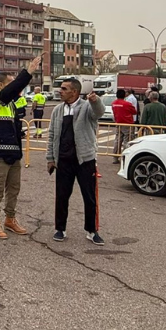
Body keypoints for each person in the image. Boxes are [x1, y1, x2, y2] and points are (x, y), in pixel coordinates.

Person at [0, 54, 42, 239]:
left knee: (13, 188)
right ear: (1, 86)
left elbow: (14, 128)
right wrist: (28, 72)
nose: (15, 87)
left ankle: (10, 219)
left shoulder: (11, 105)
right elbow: (9, 93)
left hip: (13, 153)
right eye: (11, 83)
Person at [46, 78, 107, 245]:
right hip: (64, 160)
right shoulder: (58, 110)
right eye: (61, 88)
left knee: (89, 197)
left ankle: (92, 230)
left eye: (64, 88)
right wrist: (50, 158)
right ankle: (60, 228)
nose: (60, 91)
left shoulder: (86, 106)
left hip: (84, 160)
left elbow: (99, 112)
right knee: (62, 196)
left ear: (74, 92)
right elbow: (52, 135)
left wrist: (95, 101)